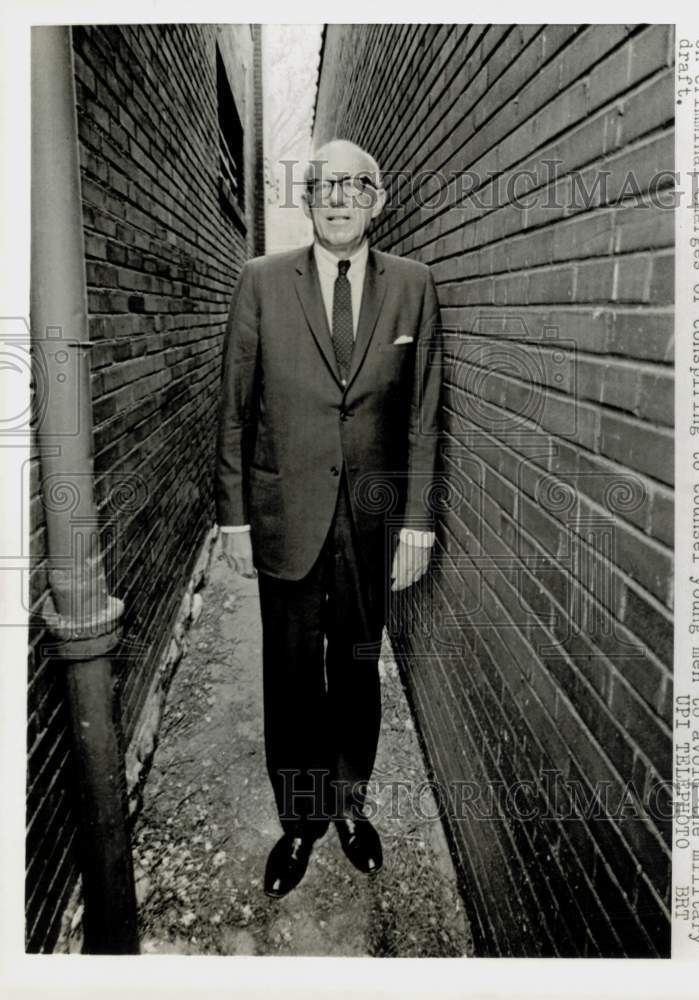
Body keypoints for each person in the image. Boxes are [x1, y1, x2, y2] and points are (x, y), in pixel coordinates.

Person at [214, 140, 442, 897]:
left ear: (378, 200)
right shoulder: (260, 283)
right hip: (286, 513)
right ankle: (300, 819)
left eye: (355, 187)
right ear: (306, 201)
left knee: (353, 665)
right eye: (323, 188)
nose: (339, 199)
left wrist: (415, 522)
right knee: (289, 674)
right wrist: (234, 519)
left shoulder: (412, 286)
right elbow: (233, 408)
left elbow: (420, 415)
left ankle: (347, 803)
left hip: (371, 524)